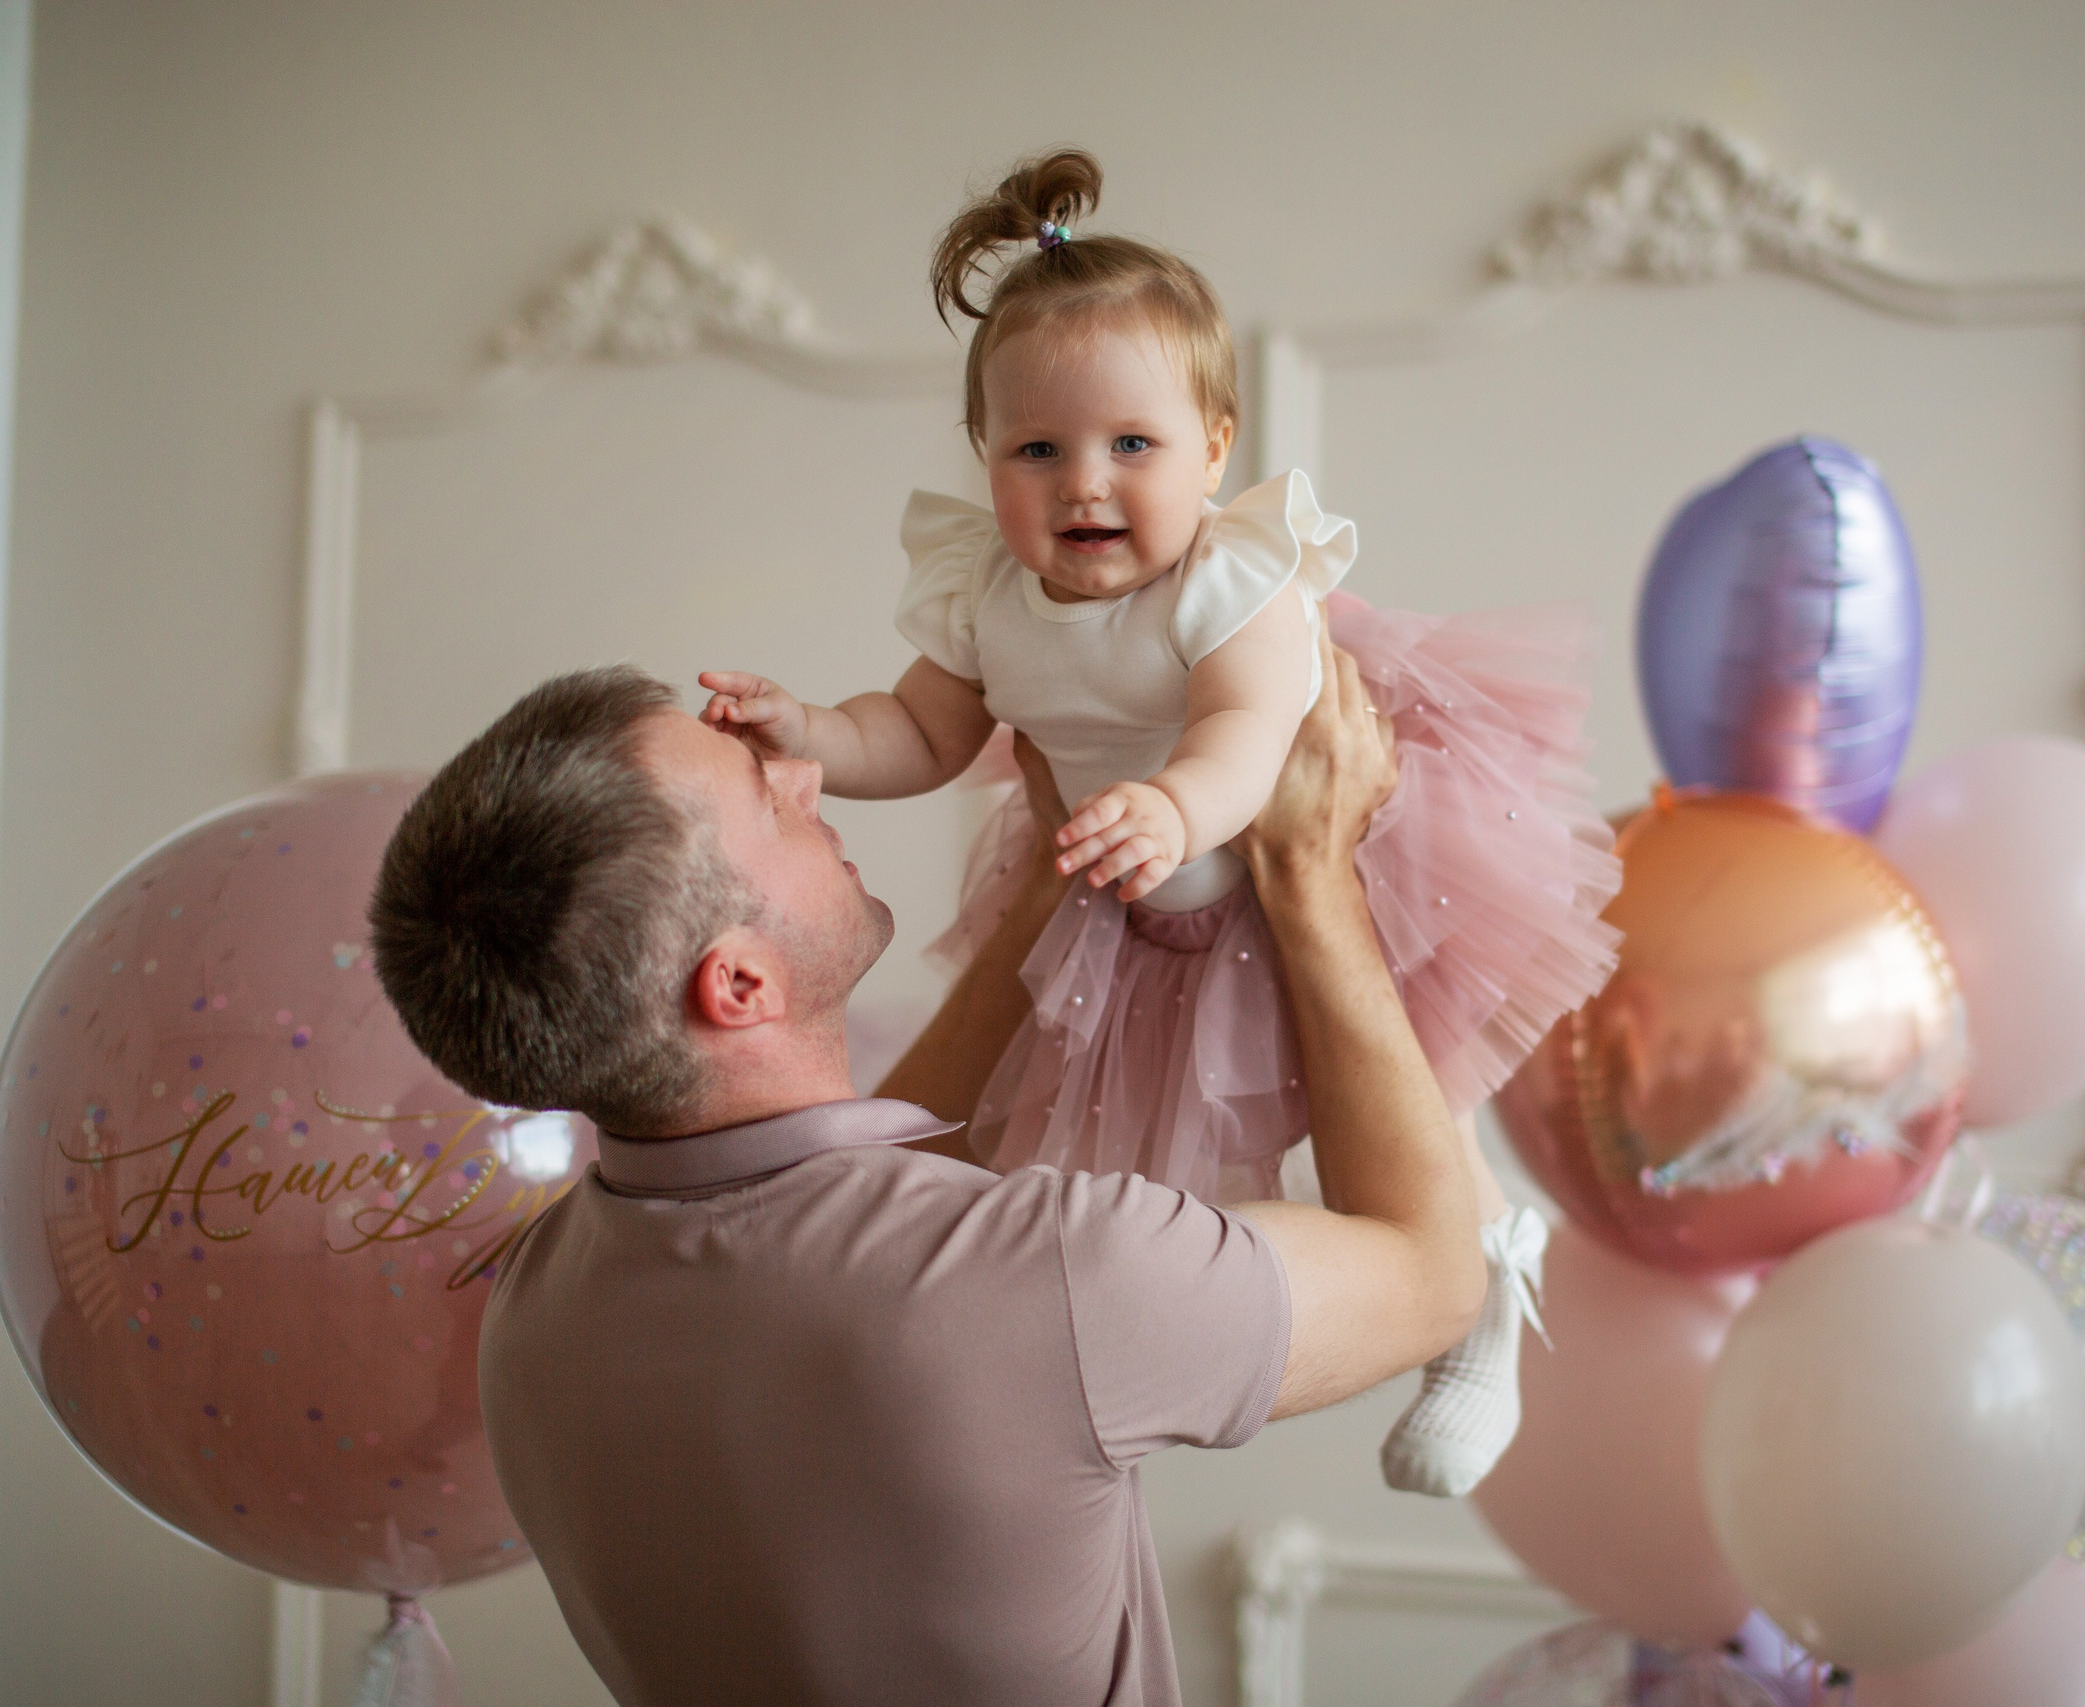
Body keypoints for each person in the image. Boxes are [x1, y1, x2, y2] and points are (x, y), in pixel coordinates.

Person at [694, 148, 1621, 1493]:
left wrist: (1177, 800)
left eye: (1134, 445)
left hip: (1309, 828)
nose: (1086, 483)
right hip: (1135, 883)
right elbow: (928, 731)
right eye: (1039, 448)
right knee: (1166, 1145)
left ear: (1215, 448)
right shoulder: (983, 600)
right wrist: (816, 736)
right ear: (985, 456)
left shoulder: (1227, 581)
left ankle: (1486, 1289)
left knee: (1413, 1073)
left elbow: (1251, 732)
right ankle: (1198, 1348)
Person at [366, 640, 1484, 1705]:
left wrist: (1061, 878)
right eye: (767, 799)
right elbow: (1433, 1275)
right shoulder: (1046, 1279)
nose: (806, 776)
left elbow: (883, 1194)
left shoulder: (532, 1315)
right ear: (740, 986)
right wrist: (1307, 867)